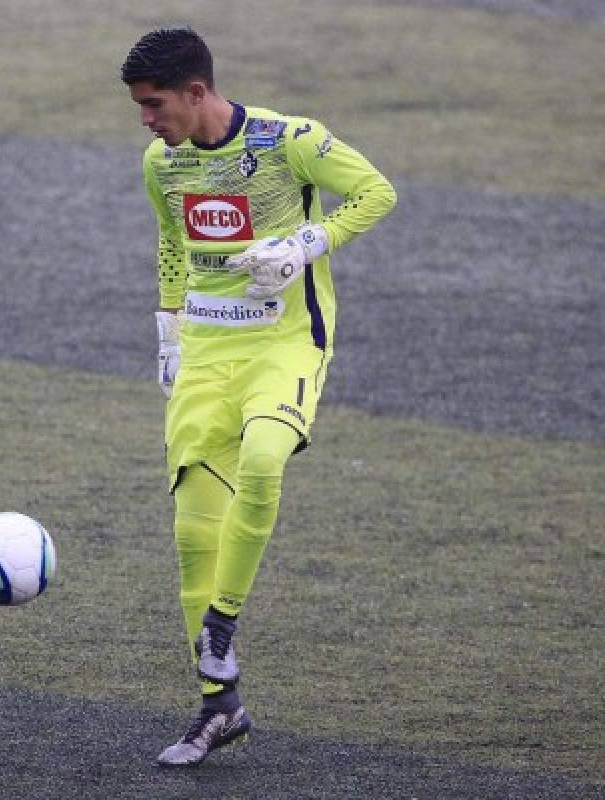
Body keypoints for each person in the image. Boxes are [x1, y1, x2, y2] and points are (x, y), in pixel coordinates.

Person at [120, 27, 396, 767]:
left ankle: (222, 628)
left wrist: (306, 243)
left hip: (284, 346)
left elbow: (376, 192)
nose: (146, 120)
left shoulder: (288, 141)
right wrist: (169, 331)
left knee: (267, 459)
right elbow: (173, 241)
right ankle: (219, 708)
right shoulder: (163, 163)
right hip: (205, 353)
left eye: (154, 105)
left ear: (196, 92)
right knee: (190, 537)